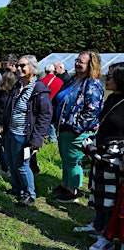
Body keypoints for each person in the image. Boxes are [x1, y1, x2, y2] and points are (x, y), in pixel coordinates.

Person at [0, 55, 52, 207]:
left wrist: (37, 138)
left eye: (22, 66)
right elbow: (8, 107)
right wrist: (1, 124)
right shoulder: (17, 85)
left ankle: (29, 194)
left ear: (32, 68)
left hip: (24, 135)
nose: (19, 68)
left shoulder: (40, 90)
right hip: (11, 131)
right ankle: (17, 189)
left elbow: (45, 116)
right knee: (12, 162)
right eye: (18, 66)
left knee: (22, 164)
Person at [53, 51, 104, 203]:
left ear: (91, 65)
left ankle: (72, 191)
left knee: (73, 160)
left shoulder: (92, 84)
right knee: (65, 158)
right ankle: (65, 184)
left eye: (81, 62)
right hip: (64, 127)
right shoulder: (73, 80)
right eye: (77, 60)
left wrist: (76, 127)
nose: (77, 64)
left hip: (76, 130)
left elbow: (93, 111)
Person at [85, 63, 124, 250]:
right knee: (99, 193)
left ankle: (108, 238)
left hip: (114, 159)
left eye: (109, 77)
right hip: (100, 153)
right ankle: (98, 226)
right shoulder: (111, 98)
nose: (105, 79)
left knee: (111, 199)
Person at [0, 71, 18, 176]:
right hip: (11, 121)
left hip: (2, 121)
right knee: (6, 145)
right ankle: (8, 165)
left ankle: (5, 166)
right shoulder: (15, 93)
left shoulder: (2, 93)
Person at [40, 64, 63, 143]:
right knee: (53, 122)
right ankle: (53, 139)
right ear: (54, 70)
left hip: (43, 104)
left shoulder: (41, 81)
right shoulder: (59, 81)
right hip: (55, 105)